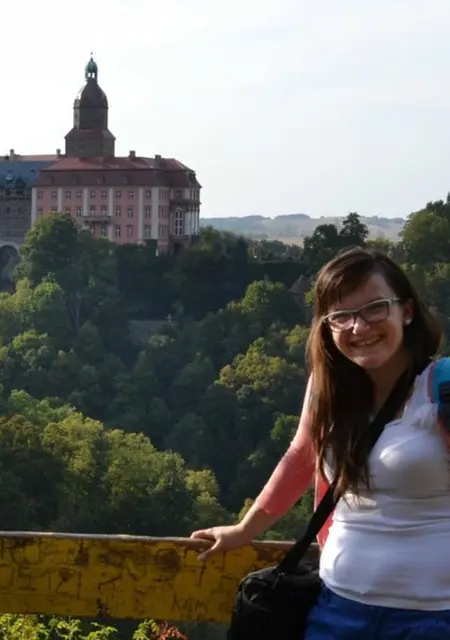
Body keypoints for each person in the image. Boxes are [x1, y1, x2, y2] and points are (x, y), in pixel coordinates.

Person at [190, 247, 450, 639]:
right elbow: (301, 457)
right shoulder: (328, 388)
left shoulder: (440, 388)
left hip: (431, 618)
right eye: (341, 316)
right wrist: (244, 530)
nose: (359, 327)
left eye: (375, 308)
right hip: (337, 609)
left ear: (407, 311)